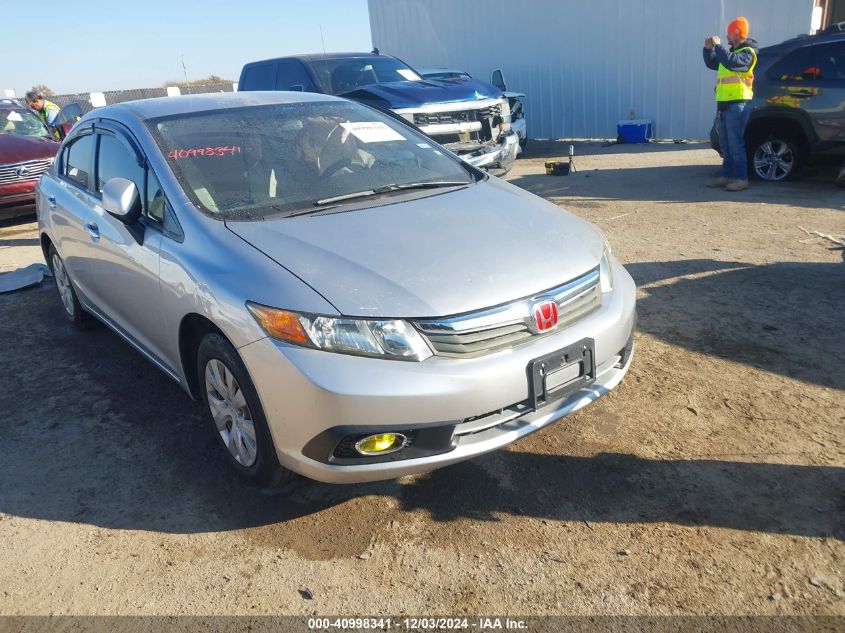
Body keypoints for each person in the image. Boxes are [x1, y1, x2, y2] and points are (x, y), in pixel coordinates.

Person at [703, 17, 759, 192]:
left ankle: (741, 178)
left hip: (738, 104)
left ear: (737, 33)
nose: (726, 37)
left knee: (736, 144)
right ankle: (727, 175)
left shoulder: (748, 53)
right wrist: (708, 49)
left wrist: (718, 47)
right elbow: (713, 63)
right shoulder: (729, 52)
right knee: (726, 143)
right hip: (725, 105)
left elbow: (731, 62)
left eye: (729, 33)